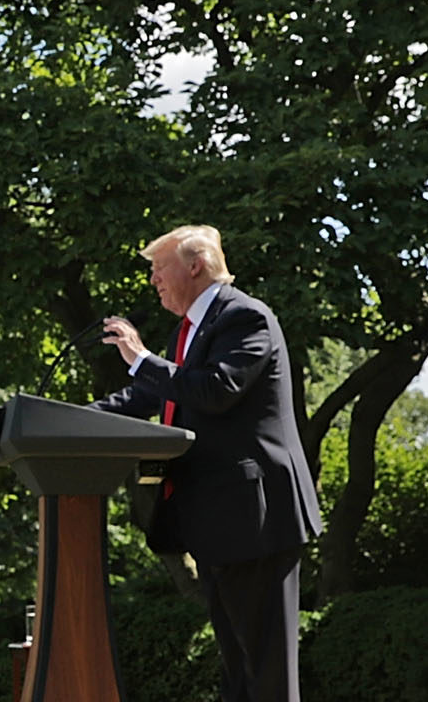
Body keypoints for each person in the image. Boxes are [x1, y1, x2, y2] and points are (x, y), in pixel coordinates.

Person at [87, 224, 324, 702]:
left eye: (159, 268)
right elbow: (148, 393)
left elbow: (215, 390)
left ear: (194, 265)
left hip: (256, 519)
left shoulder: (245, 317)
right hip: (218, 521)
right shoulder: (190, 330)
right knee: (238, 673)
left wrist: (140, 357)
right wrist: (70, 419)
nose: (153, 280)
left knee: (267, 675)